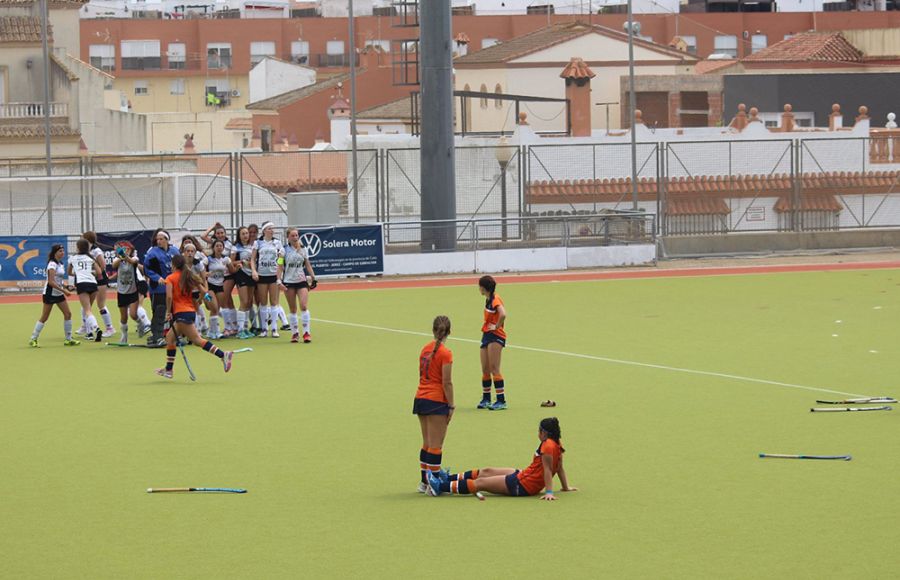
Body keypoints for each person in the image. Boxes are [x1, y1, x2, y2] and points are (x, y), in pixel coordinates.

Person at [427, 417, 576, 501]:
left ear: (544, 432)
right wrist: (565, 487)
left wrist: (549, 492)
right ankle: (447, 478)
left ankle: (440, 487)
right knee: (487, 471)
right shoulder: (557, 443)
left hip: (522, 485)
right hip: (523, 475)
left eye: (539, 430)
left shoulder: (548, 446)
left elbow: (549, 470)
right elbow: (560, 467)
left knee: (481, 483)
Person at [156, 254, 233, 379]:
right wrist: (199, 301)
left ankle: (223, 355)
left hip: (181, 314)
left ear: (174, 265)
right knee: (170, 338)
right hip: (189, 312)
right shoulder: (189, 276)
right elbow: (203, 292)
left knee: (197, 340)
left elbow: (169, 297)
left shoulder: (170, 278)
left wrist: (168, 312)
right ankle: (168, 370)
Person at [413, 316, 454, 494]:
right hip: (436, 401)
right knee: (436, 445)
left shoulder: (424, 349)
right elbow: (446, 382)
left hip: (420, 398)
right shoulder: (446, 353)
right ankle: (433, 485)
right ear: (449, 332)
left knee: (427, 443)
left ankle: (424, 482)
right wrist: (451, 405)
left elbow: (422, 374)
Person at [29, 244, 80, 347]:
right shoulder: (52, 264)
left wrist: (67, 286)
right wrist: (64, 291)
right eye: (60, 251)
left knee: (68, 314)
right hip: (49, 293)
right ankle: (33, 339)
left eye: (63, 251)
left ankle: (68, 339)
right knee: (45, 317)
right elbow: (51, 282)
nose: (62, 253)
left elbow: (58, 281)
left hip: (59, 293)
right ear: (55, 253)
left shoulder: (60, 264)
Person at [278, 227, 317, 343]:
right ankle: (295, 333)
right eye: (292, 236)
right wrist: (278, 281)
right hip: (288, 281)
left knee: (303, 306)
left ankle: (306, 333)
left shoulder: (303, 249)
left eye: (296, 235)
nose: (295, 238)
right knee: (293, 309)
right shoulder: (283, 250)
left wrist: (313, 278)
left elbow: (307, 264)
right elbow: (279, 266)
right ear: (288, 237)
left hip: (301, 281)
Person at [144, 229, 180, 347]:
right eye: (157, 239)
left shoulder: (175, 251)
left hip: (173, 287)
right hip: (158, 288)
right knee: (159, 311)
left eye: (161, 239)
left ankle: (173, 336)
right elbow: (147, 269)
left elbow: (181, 266)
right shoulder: (152, 253)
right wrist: (157, 277)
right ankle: (157, 336)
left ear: (167, 240)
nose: (159, 241)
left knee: (174, 312)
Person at [477, 275, 508, 410]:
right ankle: (486, 399)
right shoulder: (488, 299)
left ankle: (501, 400)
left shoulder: (495, 299)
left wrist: (496, 326)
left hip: (496, 336)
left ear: (483, 288)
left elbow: (503, 314)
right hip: (486, 335)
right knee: (485, 369)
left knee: (494, 368)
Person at [251, 221, 284, 338]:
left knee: (274, 302)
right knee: (263, 302)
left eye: (273, 228)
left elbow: (280, 259)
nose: (272, 230)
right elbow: (253, 259)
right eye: (269, 228)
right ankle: (264, 329)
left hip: (273, 275)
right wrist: (254, 271)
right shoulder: (258, 243)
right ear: (264, 230)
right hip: (262, 275)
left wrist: (279, 267)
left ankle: (274, 328)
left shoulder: (277, 243)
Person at [202, 223, 237, 336]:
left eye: (220, 246)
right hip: (211, 285)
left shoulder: (226, 259)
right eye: (217, 246)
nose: (219, 247)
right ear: (213, 247)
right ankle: (213, 331)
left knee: (224, 306)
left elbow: (232, 271)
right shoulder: (208, 259)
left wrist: (238, 266)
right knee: (214, 307)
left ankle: (227, 328)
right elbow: (200, 271)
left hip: (221, 285)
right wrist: (206, 274)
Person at [67, 238, 104, 341]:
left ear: (78, 247)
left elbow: (69, 272)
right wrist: (91, 274)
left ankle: (96, 329)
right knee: (88, 309)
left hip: (82, 284)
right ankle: (89, 333)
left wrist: (78, 274)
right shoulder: (90, 258)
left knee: (87, 310)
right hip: (93, 283)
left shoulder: (72, 258)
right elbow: (99, 272)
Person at [111, 241, 147, 344]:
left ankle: (141, 324)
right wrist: (121, 256)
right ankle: (124, 336)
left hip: (133, 291)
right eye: (124, 249)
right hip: (121, 292)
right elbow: (114, 265)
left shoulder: (134, 258)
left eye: (128, 249)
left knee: (133, 315)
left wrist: (125, 256)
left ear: (131, 250)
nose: (126, 250)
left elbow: (132, 261)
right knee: (123, 317)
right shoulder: (117, 260)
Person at [81, 231, 115, 338]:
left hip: (100, 279)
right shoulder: (85, 251)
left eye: (83, 237)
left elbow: (103, 265)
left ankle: (109, 327)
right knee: (86, 305)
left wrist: (94, 272)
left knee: (100, 304)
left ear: (87, 239)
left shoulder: (96, 251)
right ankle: (86, 326)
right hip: (90, 279)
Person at [231, 226, 256, 339]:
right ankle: (240, 330)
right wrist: (241, 262)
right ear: (239, 236)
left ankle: (245, 328)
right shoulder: (236, 248)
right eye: (243, 234)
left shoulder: (253, 246)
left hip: (251, 275)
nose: (246, 235)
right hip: (241, 274)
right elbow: (230, 262)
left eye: (247, 233)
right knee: (244, 301)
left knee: (249, 302)